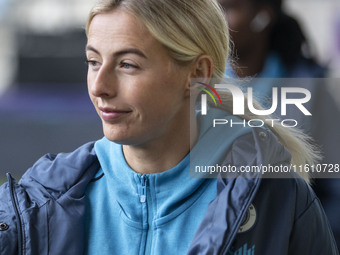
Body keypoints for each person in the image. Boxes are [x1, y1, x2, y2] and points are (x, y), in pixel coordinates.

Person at [0, 0, 338, 254]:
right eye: (93, 62)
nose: (99, 86)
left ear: (197, 75)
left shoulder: (279, 199)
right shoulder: (36, 204)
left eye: (127, 64)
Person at [218, 0, 340, 249]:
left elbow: (335, 188)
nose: (218, 20)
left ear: (262, 17)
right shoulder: (203, 88)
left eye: (229, 9)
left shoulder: (311, 91)